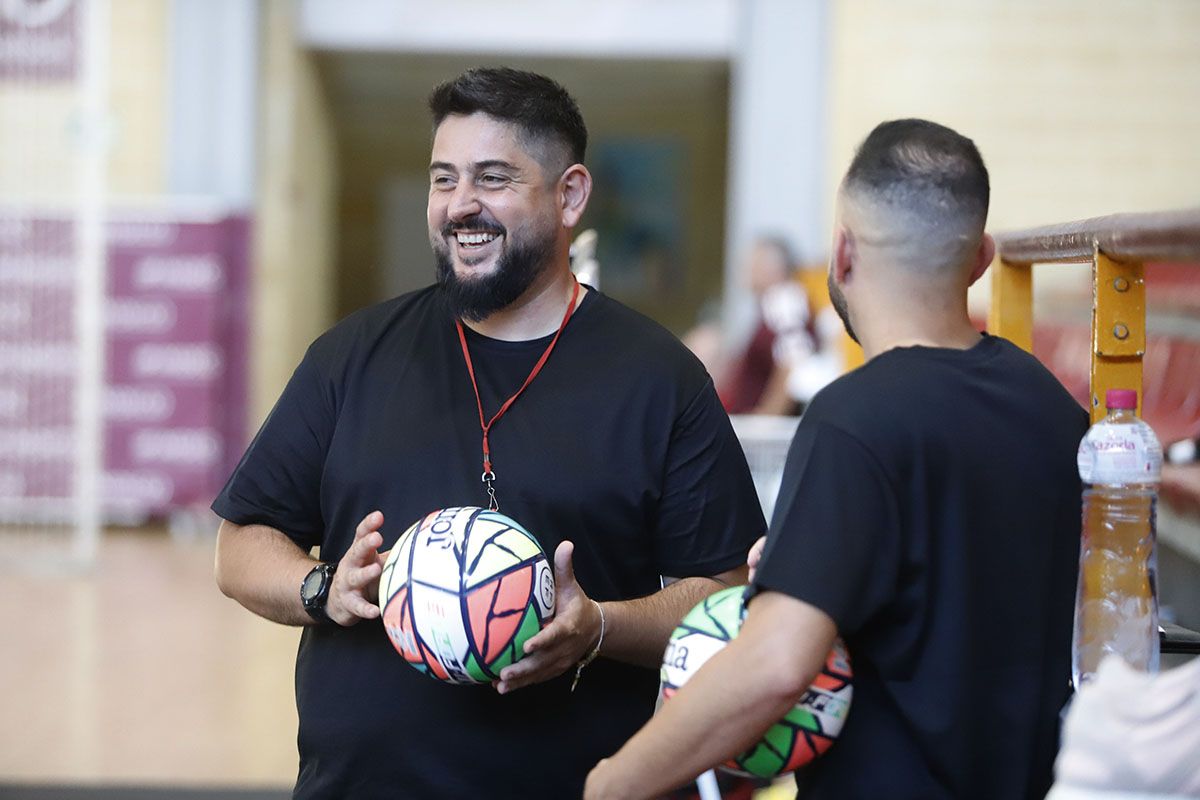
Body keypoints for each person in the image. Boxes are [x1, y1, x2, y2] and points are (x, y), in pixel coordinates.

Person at [212, 67, 764, 799]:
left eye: (493, 178)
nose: (460, 206)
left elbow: (721, 596)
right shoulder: (351, 356)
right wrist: (323, 587)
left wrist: (598, 626)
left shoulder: (661, 381)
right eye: (444, 179)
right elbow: (240, 544)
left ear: (569, 195)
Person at [585, 119, 1090, 799]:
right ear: (982, 259)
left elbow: (774, 664)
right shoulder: (1055, 408)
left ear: (843, 254)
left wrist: (614, 782)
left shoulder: (853, 420)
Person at [718, 236, 816, 416]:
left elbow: (794, 358)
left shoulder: (784, 300)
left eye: (754, 264)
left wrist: (768, 416)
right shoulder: (775, 304)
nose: (747, 271)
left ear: (773, 269)